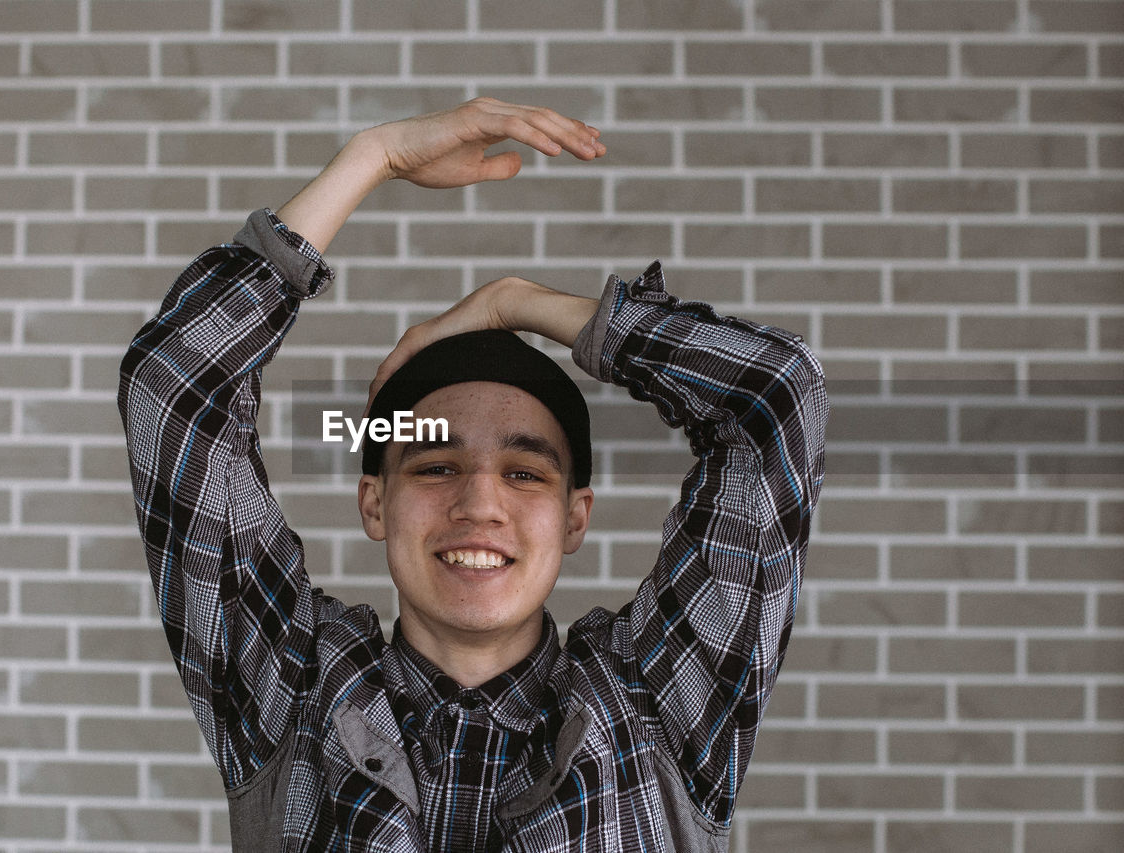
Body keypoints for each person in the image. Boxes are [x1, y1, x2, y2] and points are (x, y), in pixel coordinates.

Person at [118, 97, 827, 852]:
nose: (480, 501)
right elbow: (174, 384)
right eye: (436, 464)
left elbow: (776, 396)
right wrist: (373, 157)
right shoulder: (291, 694)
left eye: (524, 472)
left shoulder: (660, 708)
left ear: (576, 515)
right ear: (375, 501)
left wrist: (518, 302)